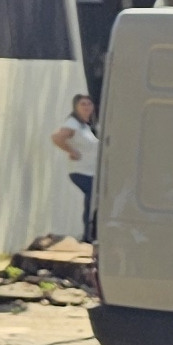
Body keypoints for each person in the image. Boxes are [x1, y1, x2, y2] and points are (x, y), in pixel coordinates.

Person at [51, 88, 98, 241]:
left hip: (90, 172)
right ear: (76, 106)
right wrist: (71, 151)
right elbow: (57, 138)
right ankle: (88, 236)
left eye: (89, 103)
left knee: (92, 200)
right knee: (92, 199)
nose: (86, 107)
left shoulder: (85, 125)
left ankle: (89, 235)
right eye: (82, 104)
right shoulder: (73, 123)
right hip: (80, 171)